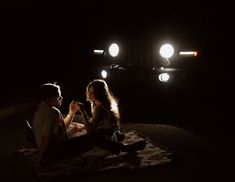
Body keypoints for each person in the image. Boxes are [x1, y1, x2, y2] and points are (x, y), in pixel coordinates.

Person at [32, 81, 146, 172]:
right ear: (50, 98)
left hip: (53, 148)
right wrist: (39, 162)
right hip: (56, 150)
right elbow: (46, 138)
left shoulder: (42, 107)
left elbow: (61, 127)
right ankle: (125, 148)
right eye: (58, 97)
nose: (61, 98)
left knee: (79, 129)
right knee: (93, 137)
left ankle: (118, 141)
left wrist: (71, 113)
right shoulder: (53, 113)